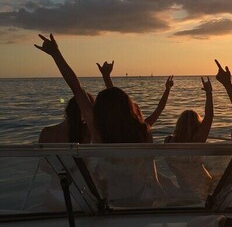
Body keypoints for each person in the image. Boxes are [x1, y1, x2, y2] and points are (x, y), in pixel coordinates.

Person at [35, 34, 162, 206]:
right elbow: (150, 166)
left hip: (109, 201)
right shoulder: (143, 131)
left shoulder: (98, 130)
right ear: (128, 107)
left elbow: (76, 87)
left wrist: (56, 54)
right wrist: (156, 188)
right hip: (139, 195)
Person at [164, 77, 214, 200]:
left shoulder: (169, 142)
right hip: (204, 186)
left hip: (185, 187)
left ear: (178, 124)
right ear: (197, 125)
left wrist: (167, 90)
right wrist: (209, 93)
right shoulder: (197, 142)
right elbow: (209, 116)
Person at [96, 60, 174, 132]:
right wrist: (167, 89)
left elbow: (117, 103)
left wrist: (106, 77)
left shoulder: (115, 132)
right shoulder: (142, 129)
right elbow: (159, 109)